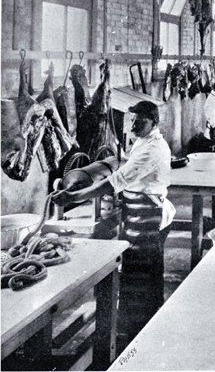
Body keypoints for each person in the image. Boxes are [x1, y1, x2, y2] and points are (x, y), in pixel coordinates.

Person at [51, 101, 174, 342]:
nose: (134, 124)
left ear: (154, 122)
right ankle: (142, 324)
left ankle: (139, 332)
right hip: (137, 211)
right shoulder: (144, 140)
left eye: (141, 121)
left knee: (141, 272)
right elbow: (122, 167)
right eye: (133, 120)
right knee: (140, 271)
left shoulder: (153, 149)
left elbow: (113, 181)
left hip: (147, 215)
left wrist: (74, 196)